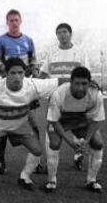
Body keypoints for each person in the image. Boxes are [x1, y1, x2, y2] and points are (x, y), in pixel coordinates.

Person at [0, 58, 58, 191]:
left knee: (37, 150)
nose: (17, 77)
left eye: (20, 72)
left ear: (24, 73)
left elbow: (58, 83)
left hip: (20, 126)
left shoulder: (32, 84)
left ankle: (25, 177)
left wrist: (91, 82)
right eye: (13, 73)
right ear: (6, 73)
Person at [0, 9, 41, 174]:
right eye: (11, 20)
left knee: (34, 125)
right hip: (8, 89)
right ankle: (1, 160)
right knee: (4, 124)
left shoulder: (28, 40)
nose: (14, 23)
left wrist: (34, 72)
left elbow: (34, 61)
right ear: (7, 22)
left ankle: (37, 161)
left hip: (26, 88)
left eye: (16, 20)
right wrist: (7, 74)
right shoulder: (1, 41)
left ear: (21, 21)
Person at [44, 66, 104, 193]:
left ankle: (91, 180)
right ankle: (51, 180)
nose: (80, 88)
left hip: (81, 120)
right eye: (77, 83)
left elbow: (95, 120)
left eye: (84, 84)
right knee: (54, 143)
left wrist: (86, 141)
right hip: (60, 121)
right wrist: (70, 143)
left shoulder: (96, 94)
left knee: (98, 143)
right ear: (70, 82)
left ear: (90, 83)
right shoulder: (59, 93)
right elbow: (53, 120)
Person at [40, 23, 90, 171]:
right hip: (55, 99)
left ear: (70, 34)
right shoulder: (52, 53)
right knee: (51, 129)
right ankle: (49, 162)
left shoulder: (80, 52)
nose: (62, 35)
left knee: (77, 128)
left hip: (75, 100)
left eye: (65, 32)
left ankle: (78, 155)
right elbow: (43, 74)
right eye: (59, 33)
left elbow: (86, 75)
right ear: (57, 36)